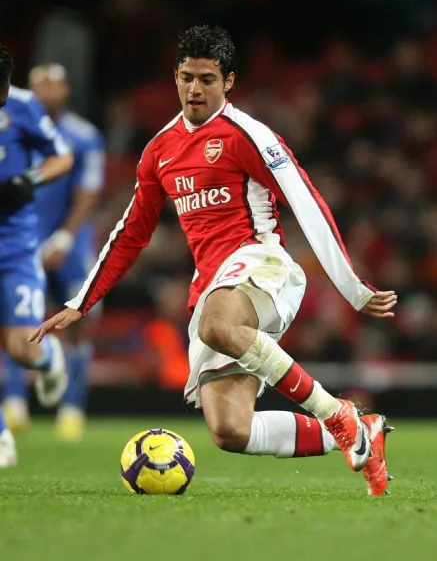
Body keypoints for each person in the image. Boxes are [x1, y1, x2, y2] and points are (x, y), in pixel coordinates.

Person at [30, 25, 397, 495]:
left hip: (262, 262)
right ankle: (360, 430)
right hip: (213, 285)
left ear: (229, 82)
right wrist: (83, 301)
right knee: (230, 430)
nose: (195, 88)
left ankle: (335, 413)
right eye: (187, 77)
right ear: (175, 77)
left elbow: (306, 200)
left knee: (216, 323)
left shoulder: (249, 134)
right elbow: (131, 232)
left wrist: (352, 287)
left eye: (207, 78)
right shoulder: (159, 150)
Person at [3, 64, 105, 442]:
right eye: (38, 84)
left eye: (53, 84)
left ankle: (72, 406)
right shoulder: (12, 123)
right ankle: (14, 402)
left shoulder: (84, 136)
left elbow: (88, 191)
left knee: (77, 320)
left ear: (66, 90)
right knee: (12, 315)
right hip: (23, 236)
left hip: (69, 238)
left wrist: (64, 237)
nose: (46, 91)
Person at [0, 44, 73, 466]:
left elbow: (61, 157)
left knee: (20, 347)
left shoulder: (25, 106)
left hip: (15, 247)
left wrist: (28, 179)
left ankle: (49, 360)